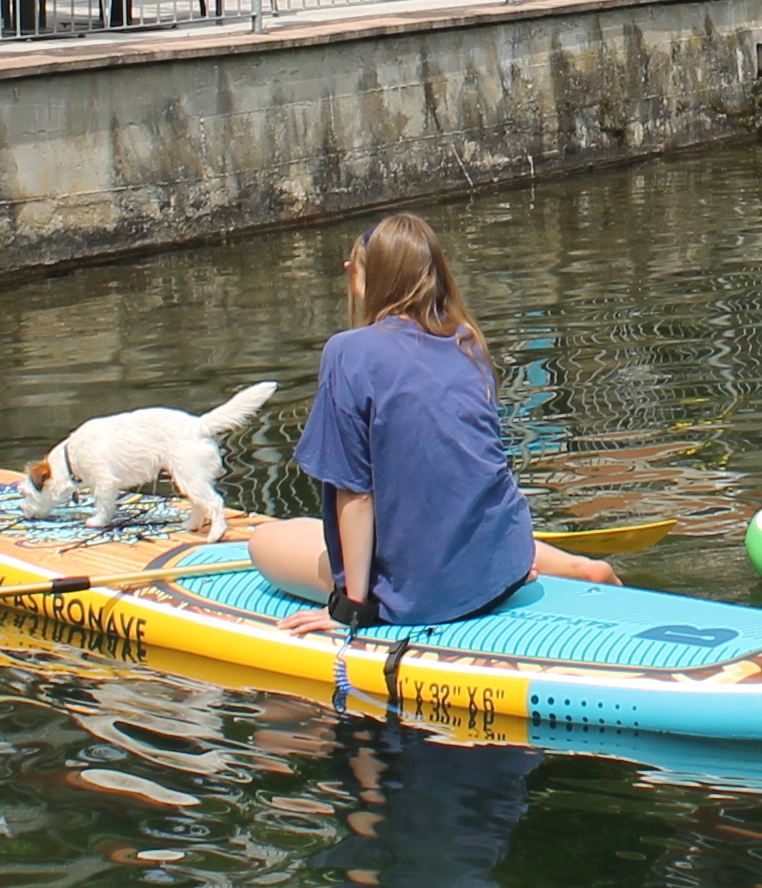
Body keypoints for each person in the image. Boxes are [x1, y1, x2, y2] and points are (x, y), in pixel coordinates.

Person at [251, 212, 617, 630]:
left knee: (267, 542)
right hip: (507, 558)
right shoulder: (466, 340)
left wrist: (352, 608)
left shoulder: (347, 353)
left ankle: (453, 577)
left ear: (368, 276)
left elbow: (356, 496)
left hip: (424, 591)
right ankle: (571, 565)